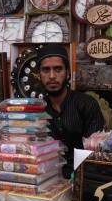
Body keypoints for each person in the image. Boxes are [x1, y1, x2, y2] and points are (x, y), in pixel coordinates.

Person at [37, 44, 105, 177]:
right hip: (48, 179)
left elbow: (97, 152)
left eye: (58, 69)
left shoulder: (86, 104)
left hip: (84, 178)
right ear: (39, 74)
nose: (52, 76)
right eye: (46, 70)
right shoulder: (37, 111)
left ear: (67, 73)